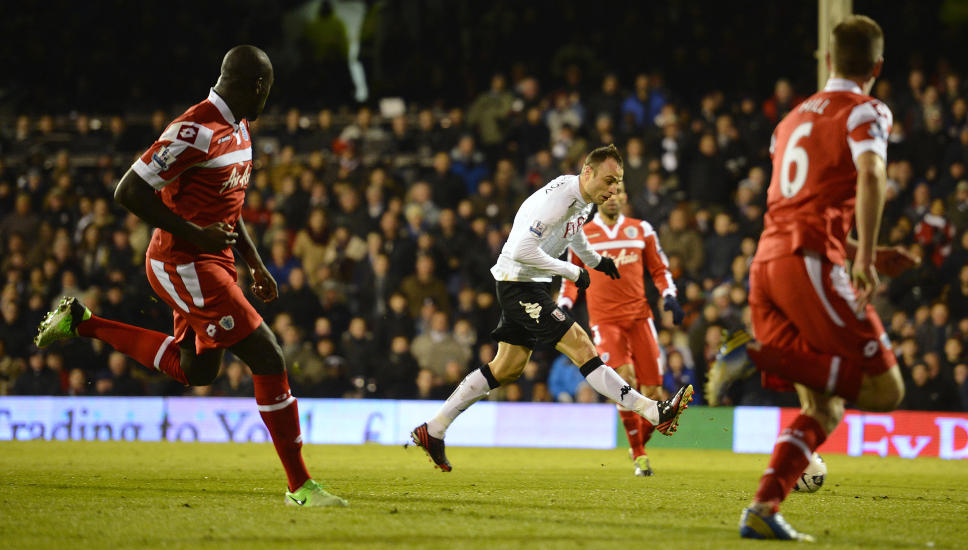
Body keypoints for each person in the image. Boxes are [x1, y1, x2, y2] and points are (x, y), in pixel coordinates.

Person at [33, 46, 346, 508]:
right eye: (269, 89)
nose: (269, 100)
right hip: (182, 262)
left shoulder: (239, 128)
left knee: (198, 369)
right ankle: (300, 486)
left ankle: (82, 322)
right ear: (255, 86)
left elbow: (229, 206)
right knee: (267, 355)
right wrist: (194, 234)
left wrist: (255, 262)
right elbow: (129, 190)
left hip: (212, 260)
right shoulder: (194, 129)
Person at [704, 16, 917, 540]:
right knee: (886, 390)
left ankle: (762, 509)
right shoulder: (867, 110)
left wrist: (863, 247)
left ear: (827, 62)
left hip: (769, 264)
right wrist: (863, 255)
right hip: (810, 264)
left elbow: (797, 204)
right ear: (877, 68)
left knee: (823, 406)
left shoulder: (791, 119)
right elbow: (872, 173)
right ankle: (752, 355)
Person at [410, 144, 694, 471]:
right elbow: (520, 250)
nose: (614, 189)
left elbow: (571, 236)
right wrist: (571, 271)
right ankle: (653, 411)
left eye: (618, 181)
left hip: (529, 283)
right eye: (608, 180)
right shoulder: (558, 200)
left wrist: (595, 261)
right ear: (588, 172)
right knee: (582, 346)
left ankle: (434, 429)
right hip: (520, 284)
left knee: (507, 367)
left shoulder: (583, 199)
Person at [556, 189, 684, 476]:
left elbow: (660, 269)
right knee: (624, 378)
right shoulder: (583, 233)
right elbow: (570, 274)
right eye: (608, 193)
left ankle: (638, 443)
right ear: (599, 198)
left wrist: (669, 296)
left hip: (640, 318)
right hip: (605, 320)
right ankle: (639, 454)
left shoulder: (641, 229)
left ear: (626, 197)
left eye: (620, 192)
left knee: (654, 392)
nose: (613, 198)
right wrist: (563, 304)